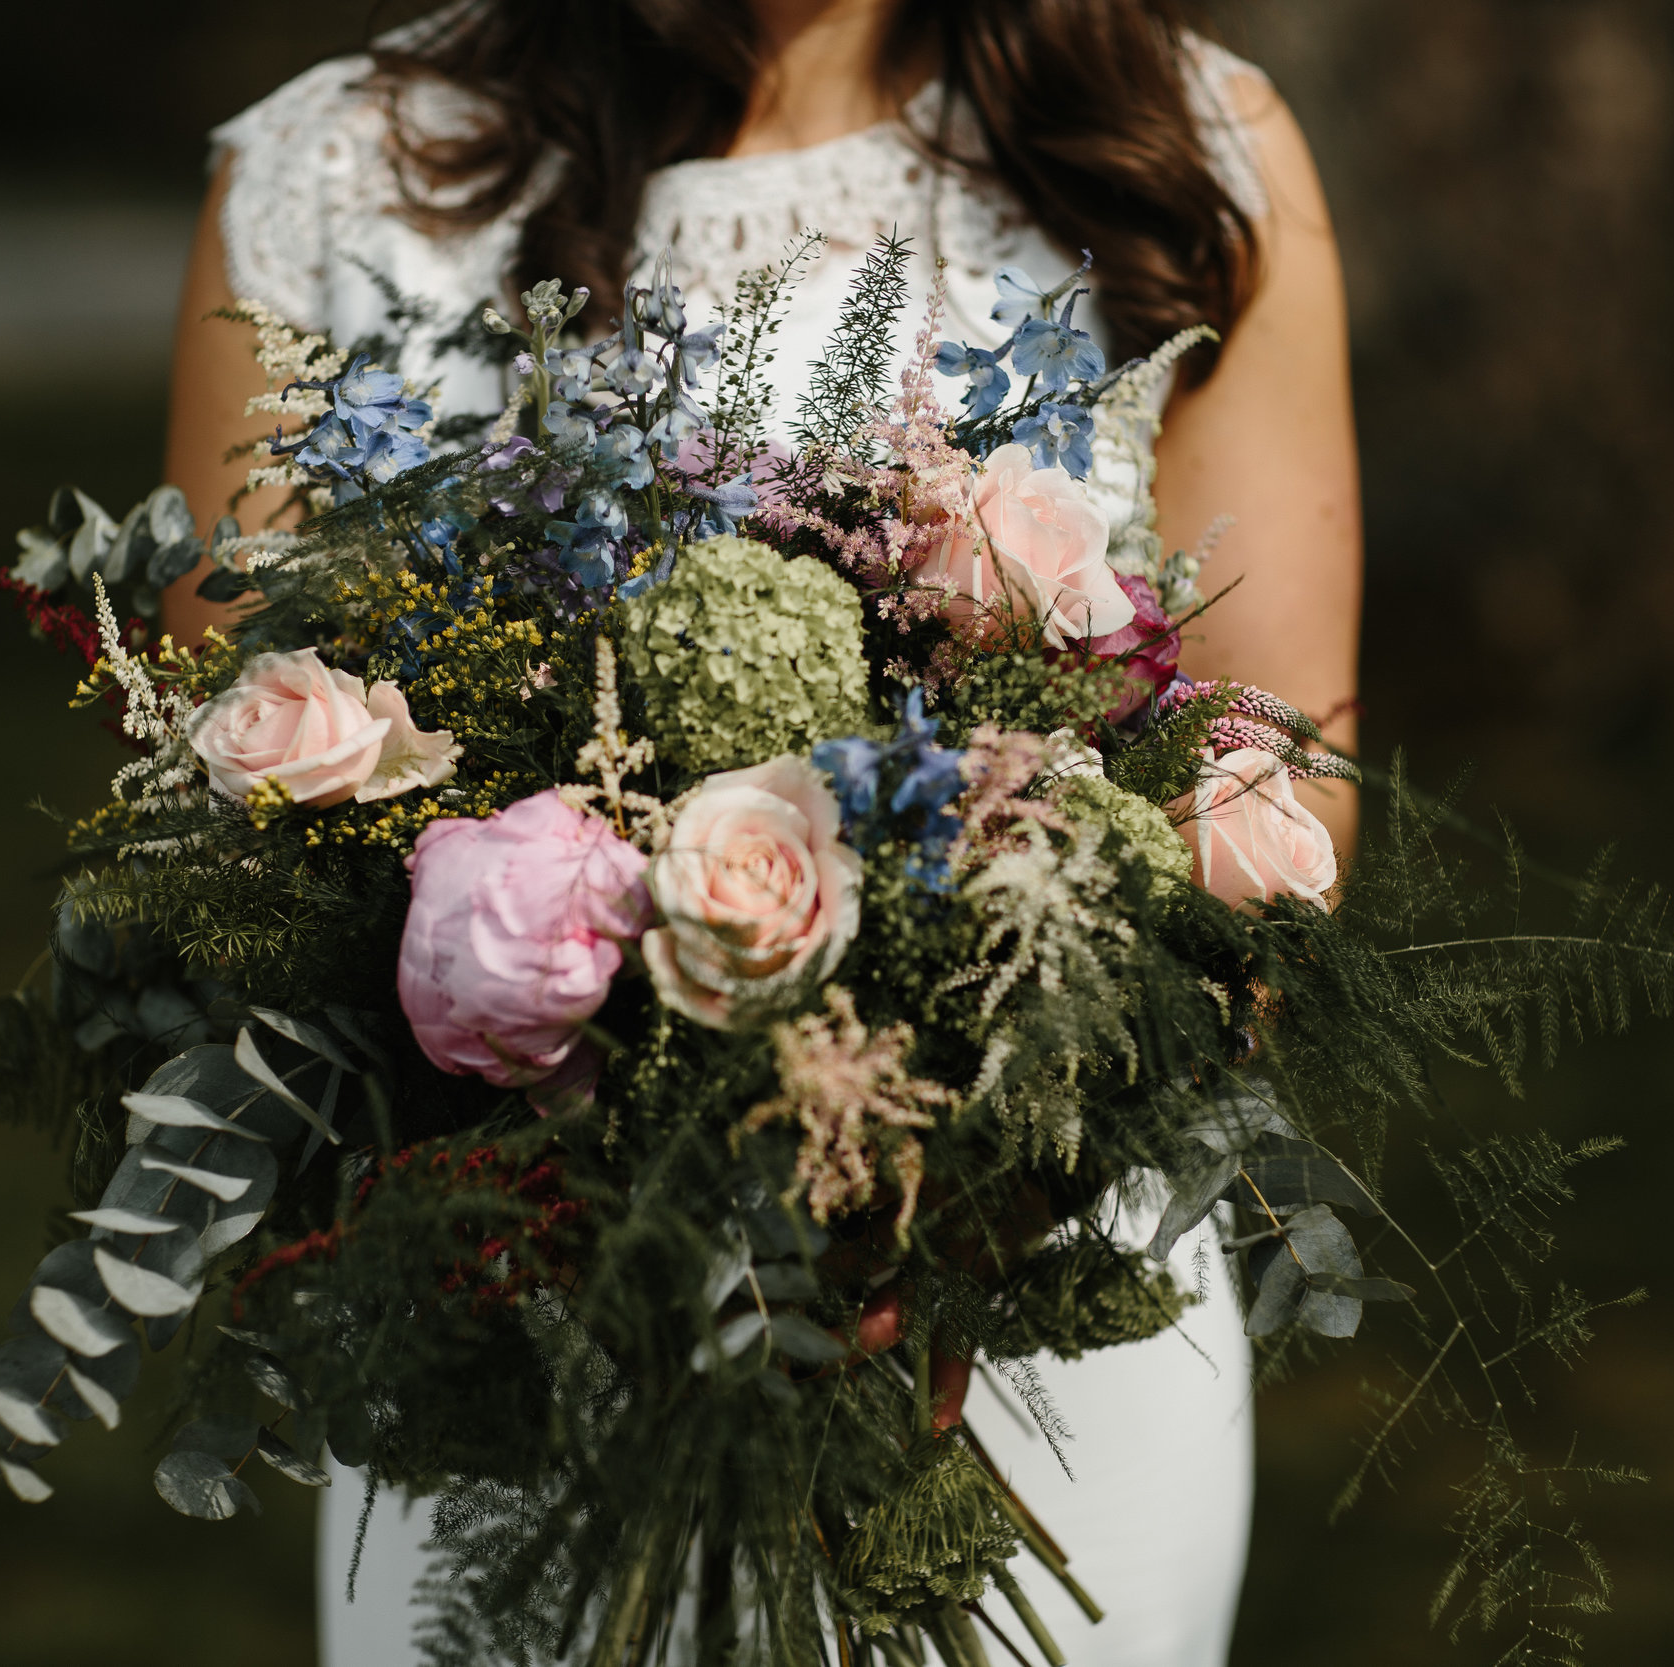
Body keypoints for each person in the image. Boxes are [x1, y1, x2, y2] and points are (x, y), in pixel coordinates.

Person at [160, 3, 1361, 1662]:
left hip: (1025, 1331)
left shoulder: (1175, 147)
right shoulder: (337, 178)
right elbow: (227, 813)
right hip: (523, 1344)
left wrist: (965, 1165)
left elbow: (1279, 783)